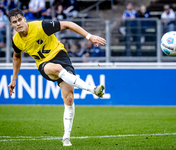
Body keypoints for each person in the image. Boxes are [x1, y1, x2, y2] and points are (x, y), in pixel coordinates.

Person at [7, 8, 106, 146]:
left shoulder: (41, 26)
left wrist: (89, 36)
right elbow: (16, 57)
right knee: (57, 69)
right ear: (11, 25)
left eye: (19, 20)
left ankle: (66, 138)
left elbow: (68, 24)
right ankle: (93, 90)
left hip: (61, 57)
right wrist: (13, 79)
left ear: (25, 18)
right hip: (44, 65)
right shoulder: (16, 40)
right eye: (14, 22)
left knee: (69, 99)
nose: (18, 24)